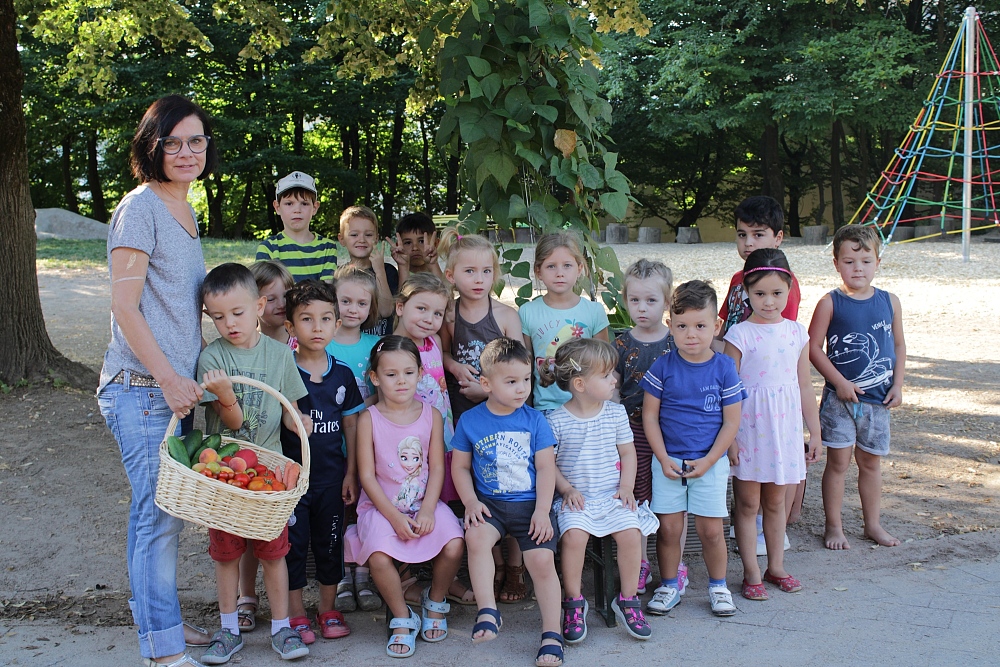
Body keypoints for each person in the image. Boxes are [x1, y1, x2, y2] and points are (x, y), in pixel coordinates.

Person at [97, 94, 217, 667]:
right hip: (142, 389)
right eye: (173, 142)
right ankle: (163, 651)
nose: (186, 152)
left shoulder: (184, 209)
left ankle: (157, 618)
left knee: (155, 514)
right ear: (152, 146)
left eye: (196, 141)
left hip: (172, 391)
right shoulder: (140, 207)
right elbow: (124, 306)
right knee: (158, 516)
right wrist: (168, 378)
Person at [196, 263, 312, 664]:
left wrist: (299, 423)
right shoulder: (212, 358)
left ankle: (282, 627)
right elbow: (233, 422)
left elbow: (287, 409)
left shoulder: (280, 355)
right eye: (218, 317)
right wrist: (224, 393)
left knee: (274, 552)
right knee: (227, 553)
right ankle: (228, 628)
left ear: (259, 306)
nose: (229, 323)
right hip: (225, 474)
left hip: (268, 475)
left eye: (237, 312)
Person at [343, 336, 465, 659]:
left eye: (409, 373)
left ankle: (434, 599)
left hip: (424, 503)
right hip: (381, 508)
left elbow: (436, 468)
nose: (401, 381)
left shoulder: (432, 415)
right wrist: (395, 517)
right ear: (375, 378)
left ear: (420, 374)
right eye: (391, 374)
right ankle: (401, 615)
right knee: (378, 556)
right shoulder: (369, 419)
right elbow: (367, 476)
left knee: (455, 543)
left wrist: (428, 510)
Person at [451, 338, 565, 667]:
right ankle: (488, 611)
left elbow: (546, 468)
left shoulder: (535, 420)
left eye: (526, 379)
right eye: (511, 381)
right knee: (476, 538)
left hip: (531, 506)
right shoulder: (470, 421)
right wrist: (470, 502)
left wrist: (542, 511)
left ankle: (552, 633)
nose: (522, 388)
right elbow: (459, 467)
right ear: (486, 384)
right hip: (490, 506)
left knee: (541, 561)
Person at [540, 338, 658, 642]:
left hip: (611, 495)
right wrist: (566, 489)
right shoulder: (556, 420)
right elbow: (548, 464)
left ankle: (628, 599)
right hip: (576, 499)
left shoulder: (615, 413)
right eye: (606, 375)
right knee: (574, 537)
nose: (615, 380)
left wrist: (627, 486)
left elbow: (628, 453)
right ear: (580, 384)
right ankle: (573, 600)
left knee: (631, 534)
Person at [641, 281, 745, 618]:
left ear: (716, 326)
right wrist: (662, 458)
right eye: (682, 326)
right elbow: (650, 416)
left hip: (709, 463)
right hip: (668, 462)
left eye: (701, 326)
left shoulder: (724, 368)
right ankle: (669, 585)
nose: (691, 334)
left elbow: (731, 422)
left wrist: (710, 460)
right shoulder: (662, 367)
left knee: (711, 531)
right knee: (669, 529)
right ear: (670, 326)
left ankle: (718, 586)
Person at [723, 249, 821, 601]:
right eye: (760, 293)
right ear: (746, 292)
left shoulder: (796, 333)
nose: (768, 301)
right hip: (749, 430)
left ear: (789, 290)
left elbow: (805, 386)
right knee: (748, 504)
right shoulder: (739, 335)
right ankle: (751, 572)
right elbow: (728, 390)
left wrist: (815, 432)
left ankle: (776, 566)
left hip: (785, 432)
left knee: (777, 503)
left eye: (777, 293)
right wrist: (730, 439)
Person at [437, 228, 524, 604]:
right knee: (477, 492)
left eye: (486, 271)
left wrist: (486, 392)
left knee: (511, 489)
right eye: (469, 271)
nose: (479, 279)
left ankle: (515, 568)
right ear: (451, 275)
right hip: (464, 420)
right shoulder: (448, 316)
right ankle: (494, 565)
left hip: (504, 418)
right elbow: (439, 352)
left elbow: (521, 370)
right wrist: (455, 366)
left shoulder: (505, 316)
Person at [808, 225, 906, 550]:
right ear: (836, 263)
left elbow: (899, 345)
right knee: (838, 464)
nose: (858, 268)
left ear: (878, 262)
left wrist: (899, 384)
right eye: (849, 262)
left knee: (871, 463)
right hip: (839, 402)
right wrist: (839, 382)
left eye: (865, 261)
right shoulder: (829, 303)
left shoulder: (890, 302)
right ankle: (834, 526)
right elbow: (812, 348)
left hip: (879, 401)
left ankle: (872, 524)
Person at [279, 280, 365, 643]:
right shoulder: (283, 369)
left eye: (326, 318)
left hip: (331, 479)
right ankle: (296, 614)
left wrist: (351, 473)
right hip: (291, 482)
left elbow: (351, 425)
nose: (317, 327)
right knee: (293, 548)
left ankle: (328, 610)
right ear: (290, 326)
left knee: (330, 546)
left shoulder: (342, 374)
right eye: (307, 319)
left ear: (337, 323)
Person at [719, 195, 804, 550]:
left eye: (758, 234)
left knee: (774, 467)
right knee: (745, 469)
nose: (748, 243)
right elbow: (724, 325)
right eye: (742, 235)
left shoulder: (782, 282)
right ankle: (747, 523)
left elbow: (783, 339)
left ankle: (772, 528)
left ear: (778, 238)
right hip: (737, 376)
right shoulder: (737, 279)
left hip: (771, 386)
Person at [612, 259, 688, 598]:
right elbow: (613, 389)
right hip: (633, 434)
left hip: (674, 432)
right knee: (638, 496)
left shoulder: (678, 341)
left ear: (667, 301)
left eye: (651, 300)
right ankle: (640, 562)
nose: (642, 308)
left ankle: (677, 565)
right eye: (635, 300)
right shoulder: (620, 345)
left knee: (674, 498)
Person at [325, 266, 383, 614]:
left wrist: (358, 406)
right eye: (345, 301)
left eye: (362, 303)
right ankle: (342, 577)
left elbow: (384, 391)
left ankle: (364, 574)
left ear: (371, 307)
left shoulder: (375, 346)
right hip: (331, 443)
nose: (352, 309)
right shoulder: (322, 343)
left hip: (368, 442)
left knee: (364, 507)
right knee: (337, 510)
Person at [519, 232, 610, 414]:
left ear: (579, 268)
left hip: (587, 407)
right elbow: (524, 367)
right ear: (538, 271)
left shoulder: (594, 311)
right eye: (551, 266)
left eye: (567, 265)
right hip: (545, 409)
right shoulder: (527, 312)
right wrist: (526, 411)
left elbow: (604, 365)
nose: (559, 273)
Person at [393, 273, 456, 462]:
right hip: (410, 438)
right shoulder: (390, 349)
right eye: (421, 309)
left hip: (443, 429)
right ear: (400, 307)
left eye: (437, 313)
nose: (429, 319)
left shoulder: (435, 341)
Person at [256, 172, 337, 283]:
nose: (297, 210)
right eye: (289, 204)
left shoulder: (327, 248)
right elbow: (266, 289)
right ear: (277, 207)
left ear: (315, 208)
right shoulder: (268, 248)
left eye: (304, 204)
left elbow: (326, 289)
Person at [338, 205, 398, 336]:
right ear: (341, 239)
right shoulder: (340, 275)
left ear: (376, 238)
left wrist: (379, 271)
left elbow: (386, 311)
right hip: (351, 341)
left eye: (368, 235)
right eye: (354, 234)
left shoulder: (388, 271)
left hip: (381, 340)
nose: (362, 240)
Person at [250, 261, 296, 347]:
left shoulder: (303, 343)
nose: (282, 305)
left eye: (286, 296)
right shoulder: (246, 345)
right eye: (271, 299)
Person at [390, 212, 443, 282]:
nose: (415, 248)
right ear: (398, 246)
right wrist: (403, 267)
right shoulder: (393, 278)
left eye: (422, 241)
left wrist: (433, 264)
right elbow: (403, 289)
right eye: (408, 243)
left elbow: (445, 288)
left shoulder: (448, 275)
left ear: (436, 244)